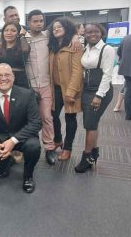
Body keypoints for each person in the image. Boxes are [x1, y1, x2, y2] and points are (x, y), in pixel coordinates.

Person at [24, 10, 81, 165]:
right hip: (29, 87)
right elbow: (4, 34)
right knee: (29, 119)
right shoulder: (22, 38)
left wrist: (76, 36)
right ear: (28, 22)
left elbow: (68, 30)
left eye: (41, 21)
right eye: (35, 21)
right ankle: (27, 148)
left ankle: (49, 149)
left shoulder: (48, 36)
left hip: (46, 85)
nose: (38, 24)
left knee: (48, 118)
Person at [0, 63, 42, 193]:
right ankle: (5, 164)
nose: (3, 78)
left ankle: (28, 176)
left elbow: (36, 123)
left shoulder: (27, 95)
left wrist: (13, 140)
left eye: (7, 75)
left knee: (34, 147)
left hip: (21, 137)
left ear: (13, 77)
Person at [75, 23, 114, 173]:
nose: (93, 34)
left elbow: (107, 75)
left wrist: (99, 95)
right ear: (84, 33)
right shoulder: (87, 48)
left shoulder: (107, 49)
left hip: (100, 91)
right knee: (91, 123)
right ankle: (94, 152)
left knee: (90, 125)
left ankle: (86, 157)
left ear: (101, 32)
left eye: (96, 31)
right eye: (89, 32)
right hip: (87, 90)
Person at [48, 17, 83, 162]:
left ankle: (67, 148)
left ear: (67, 28)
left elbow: (77, 71)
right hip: (55, 88)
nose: (56, 29)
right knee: (52, 116)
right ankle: (57, 139)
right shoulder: (52, 46)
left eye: (59, 27)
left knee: (70, 118)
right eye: (54, 28)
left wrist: (71, 91)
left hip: (69, 89)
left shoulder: (74, 45)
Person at [0, 22, 30, 89]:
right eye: (6, 30)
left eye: (13, 30)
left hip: (20, 82)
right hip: (3, 81)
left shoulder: (22, 46)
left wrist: (22, 35)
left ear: (18, 33)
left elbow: (26, 50)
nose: (9, 33)